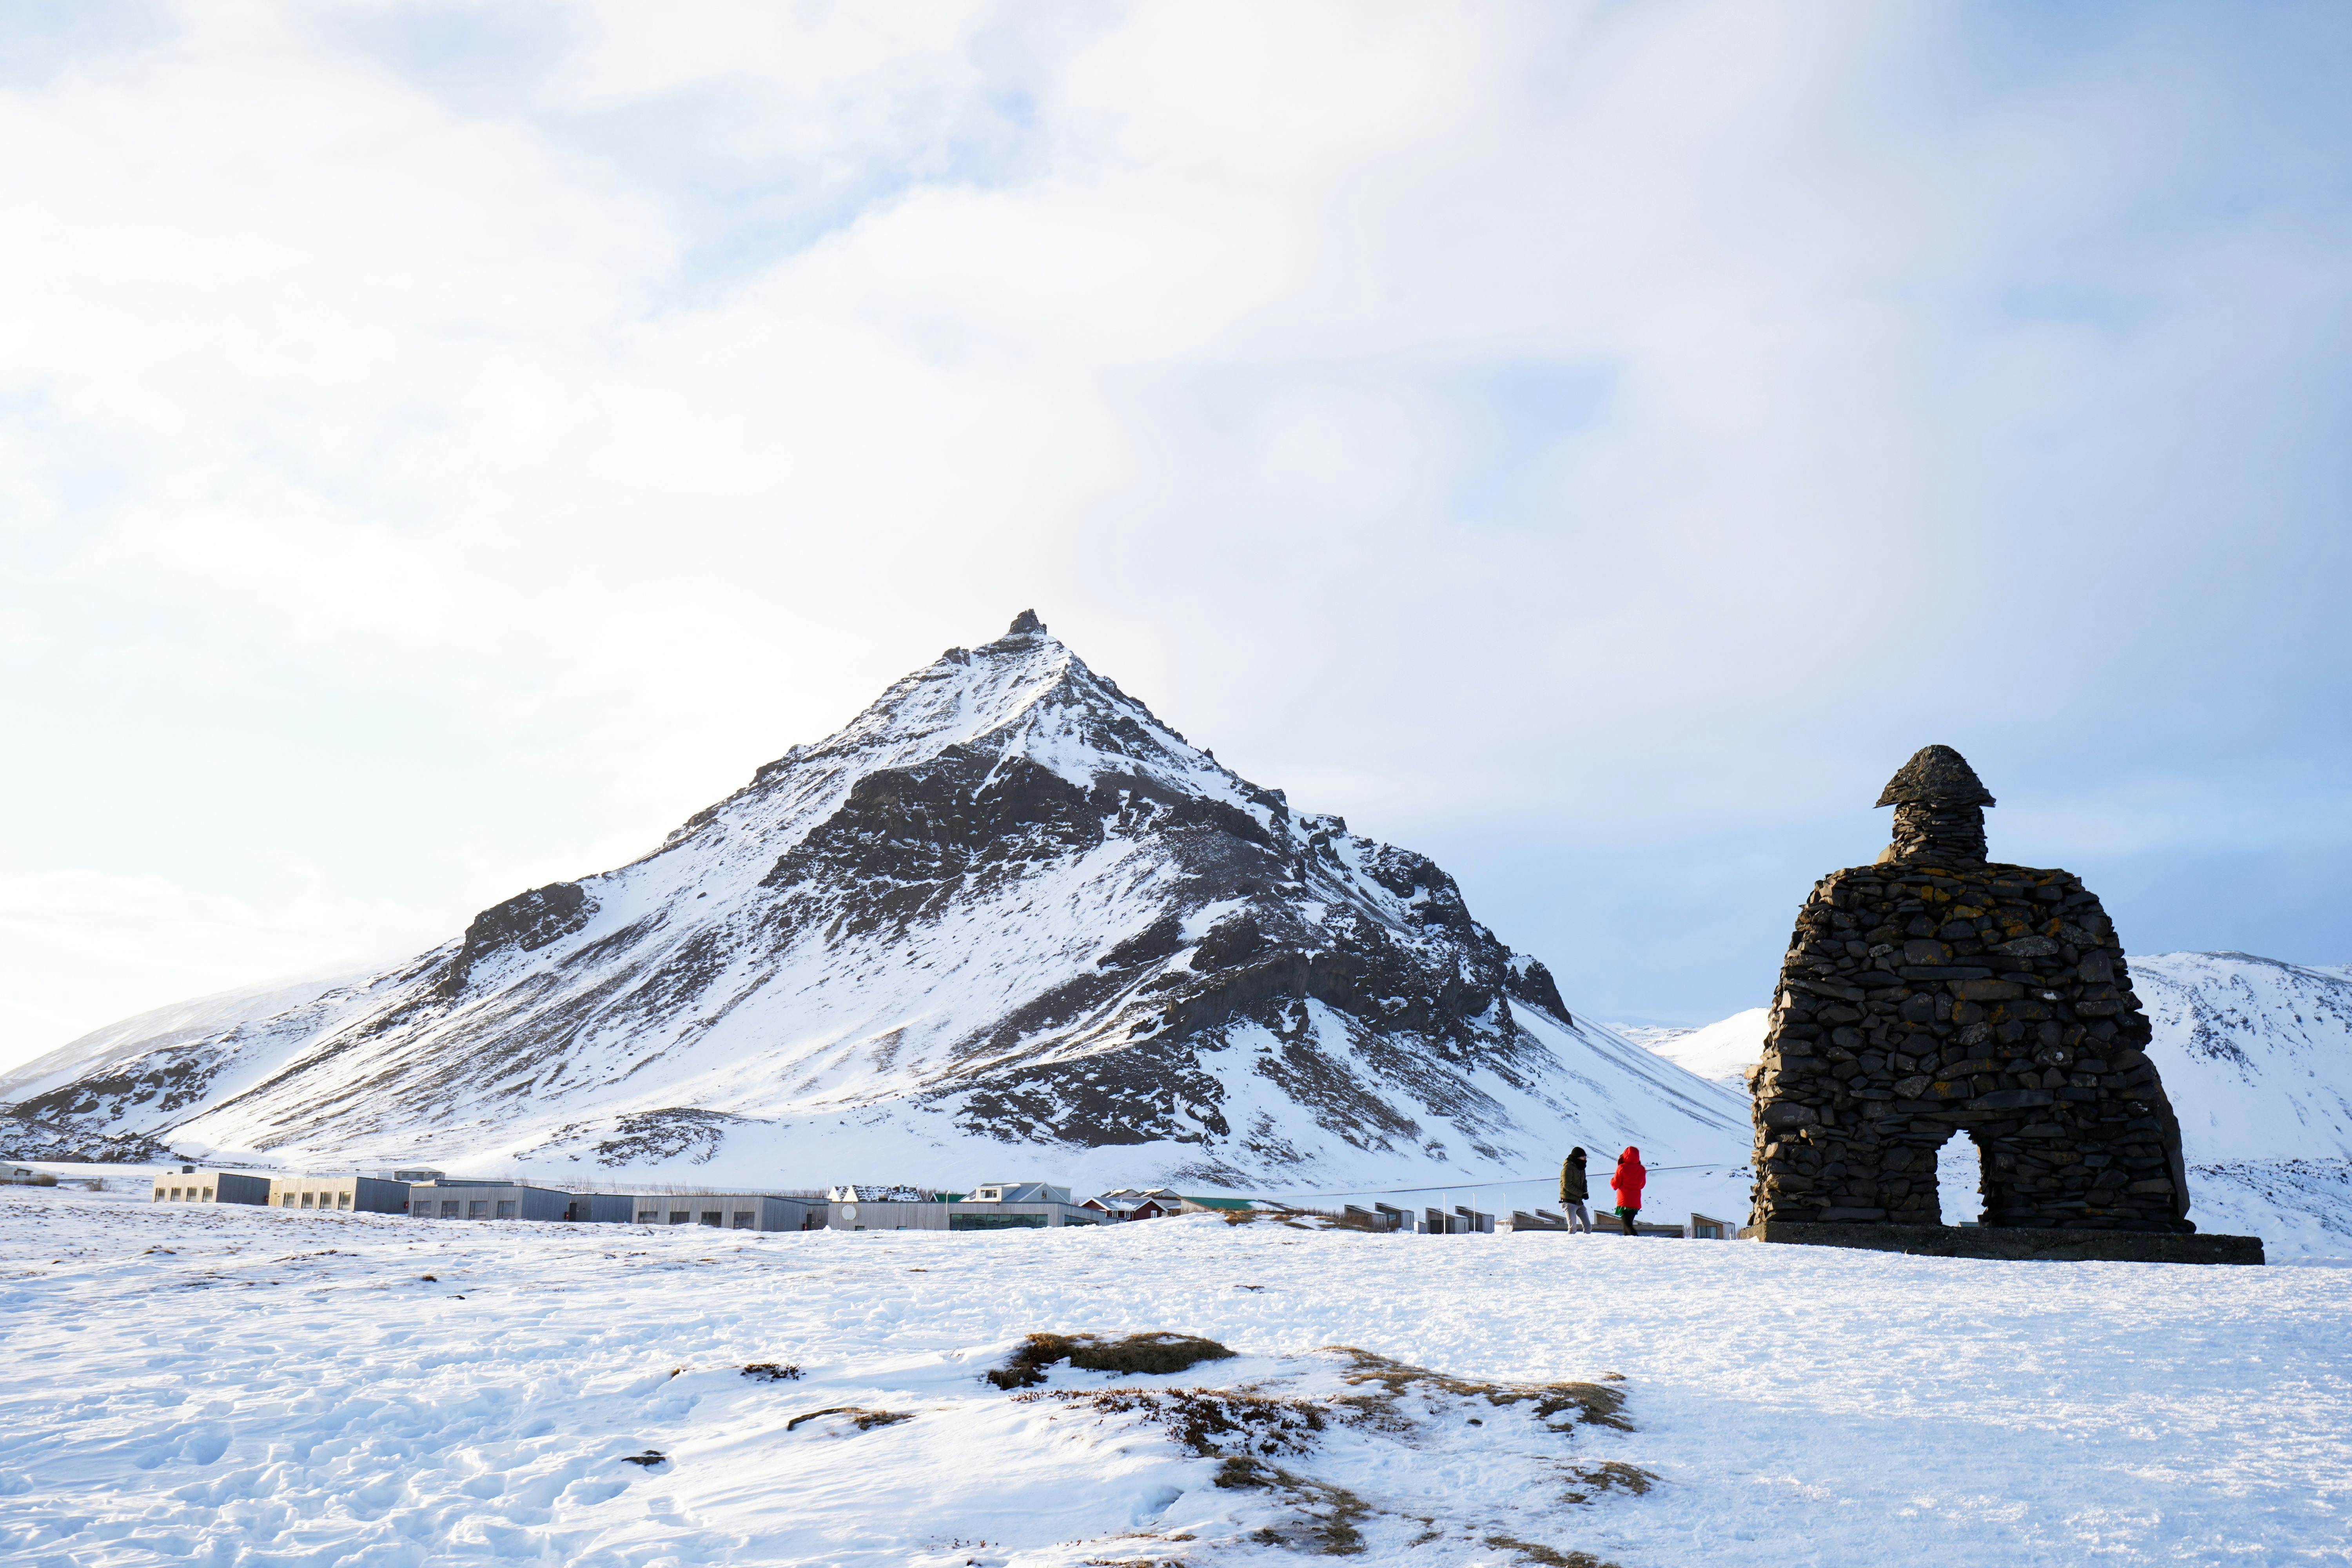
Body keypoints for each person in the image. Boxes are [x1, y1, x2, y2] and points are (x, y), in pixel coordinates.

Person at [1611, 1145, 1647, 1235]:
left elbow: (1615, 1185)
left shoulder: (1621, 1168)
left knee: (1628, 1225)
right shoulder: (1642, 1169)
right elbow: (1642, 1185)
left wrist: (1612, 1180)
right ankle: (1628, 1242)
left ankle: (1638, 1241)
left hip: (1624, 1202)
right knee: (1627, 1225)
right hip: (1635, 1203)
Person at [1559, 1147, 1592, 1233]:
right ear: (1578, 1157)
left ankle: (1587, 1241)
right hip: (1569, 1202)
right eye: (1583, 1157)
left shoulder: (1581, 1167)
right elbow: (1567, 1185)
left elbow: (1584, 1181)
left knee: (1588, 1227)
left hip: (1579, 1201)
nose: (1585, 1159)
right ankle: (1570, 1241)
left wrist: (1585, 1192)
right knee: (1573, 1229)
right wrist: (1581, 1194)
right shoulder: (1568, 1168)